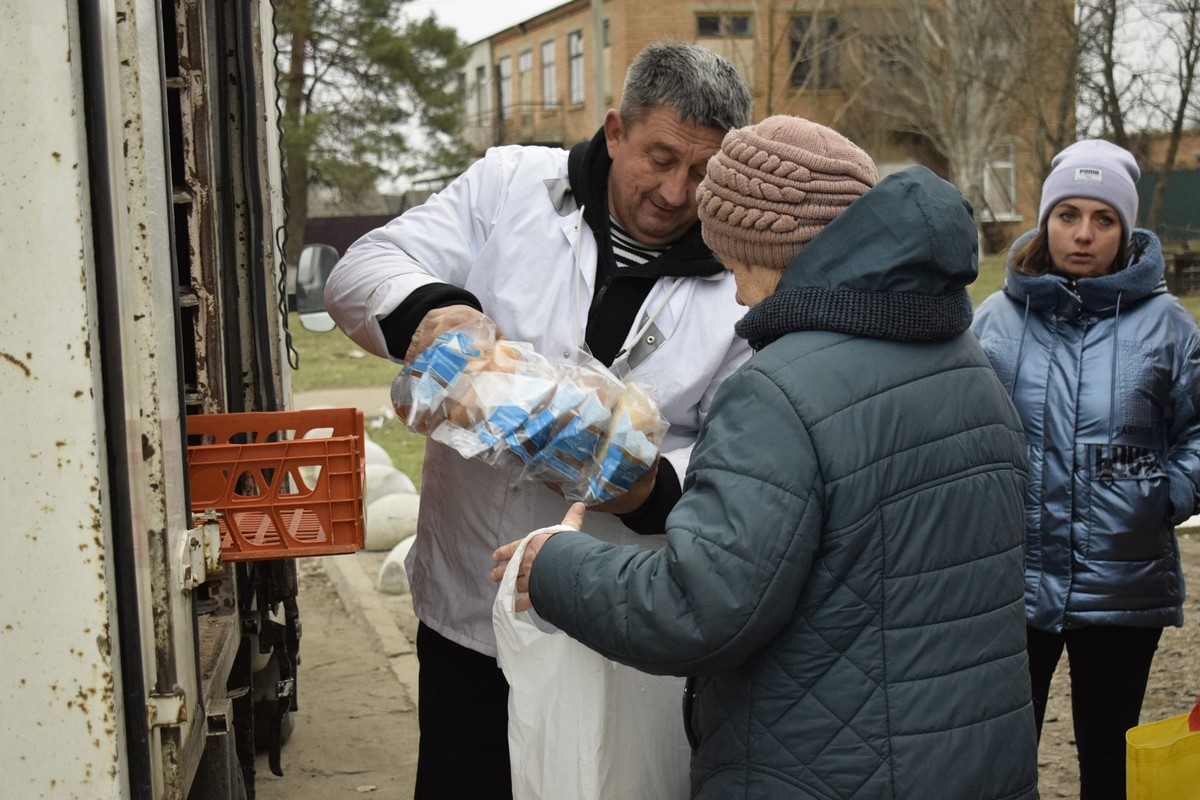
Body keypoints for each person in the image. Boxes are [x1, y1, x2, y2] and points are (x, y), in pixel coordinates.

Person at [493, 116, 1040, 798]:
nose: (736, 291)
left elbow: (701, 610)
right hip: (977, 759)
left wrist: (556, 567)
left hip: (824, 766)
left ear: (767, 247)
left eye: (731, 260)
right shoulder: (965, 360)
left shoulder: (777, 392)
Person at [323, 42, 753, 798]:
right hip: (472, 606)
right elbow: (363, 269)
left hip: (626, 613)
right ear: (616, 132)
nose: (678, 193)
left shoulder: (737, 276)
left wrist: (650, 489)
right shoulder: (512, 187)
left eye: (703, 171)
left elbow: (736, 448)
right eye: (659, 158)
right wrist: (433, 314)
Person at [972, 139, 1200, 798]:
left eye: (1103, 219)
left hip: (1125, 591)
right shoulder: (995, 323)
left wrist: (1166, 492)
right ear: (1045, 221)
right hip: (1014, 585)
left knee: (1110, 764)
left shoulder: (1167, 327)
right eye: (1068, 214)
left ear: (1125, 230)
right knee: (1003, 761)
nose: (1083, 234)